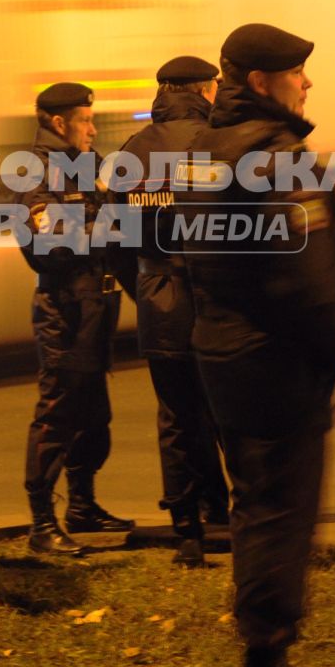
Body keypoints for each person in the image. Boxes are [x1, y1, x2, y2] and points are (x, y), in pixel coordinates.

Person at [184, 23, 335, 667]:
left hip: (221, 350)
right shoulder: (279, 159)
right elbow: (307, 282)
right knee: (280, 512)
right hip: (275, 363)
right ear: (262, 82)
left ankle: (261, 645)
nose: (308, 82)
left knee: (254, 501)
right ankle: (266, 666)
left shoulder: (205, 148)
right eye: (297, 72)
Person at [110, 55, 230, 566]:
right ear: (206, 90)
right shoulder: (220, 144)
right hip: (218, 301)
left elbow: (115, 241)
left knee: (177, 417)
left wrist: (147, 287)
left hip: (161, 300)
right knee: (230, 411)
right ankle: (234, 516)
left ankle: (188, 532)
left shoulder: (132, 152)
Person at [19, 81, 134, 555]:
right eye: (85, 120)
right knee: (57, 413)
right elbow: (46, 244)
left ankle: (82, 506)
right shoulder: (35, 171)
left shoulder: (86, 166)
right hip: (63, 310)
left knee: (93, 415)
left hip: (97, 307)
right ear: (58, 122)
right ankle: (42, 523)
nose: (93, 128)